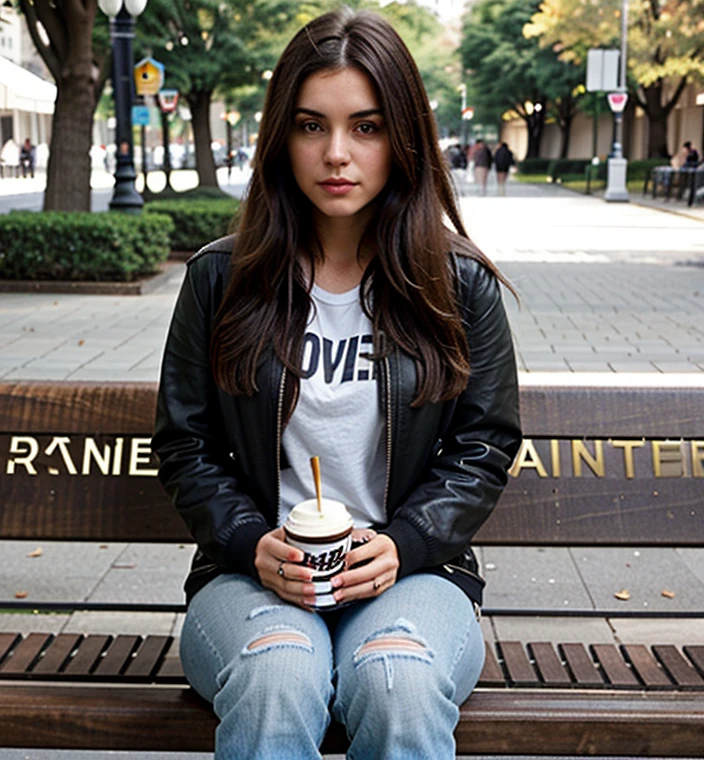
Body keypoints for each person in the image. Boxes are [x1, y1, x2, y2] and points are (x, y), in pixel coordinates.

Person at [152, 9, 521, 760]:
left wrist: (406, 544)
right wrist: (251, 542)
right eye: (312, 126)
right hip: (249, 577)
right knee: (278, 672)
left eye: (368, 126)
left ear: (404, 137)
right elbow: (184, 442)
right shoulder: (222, 280)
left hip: (415, 577)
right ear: (281, 138)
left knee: (398, 681)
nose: (337, 154)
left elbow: (484, 443)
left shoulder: (457, 283)